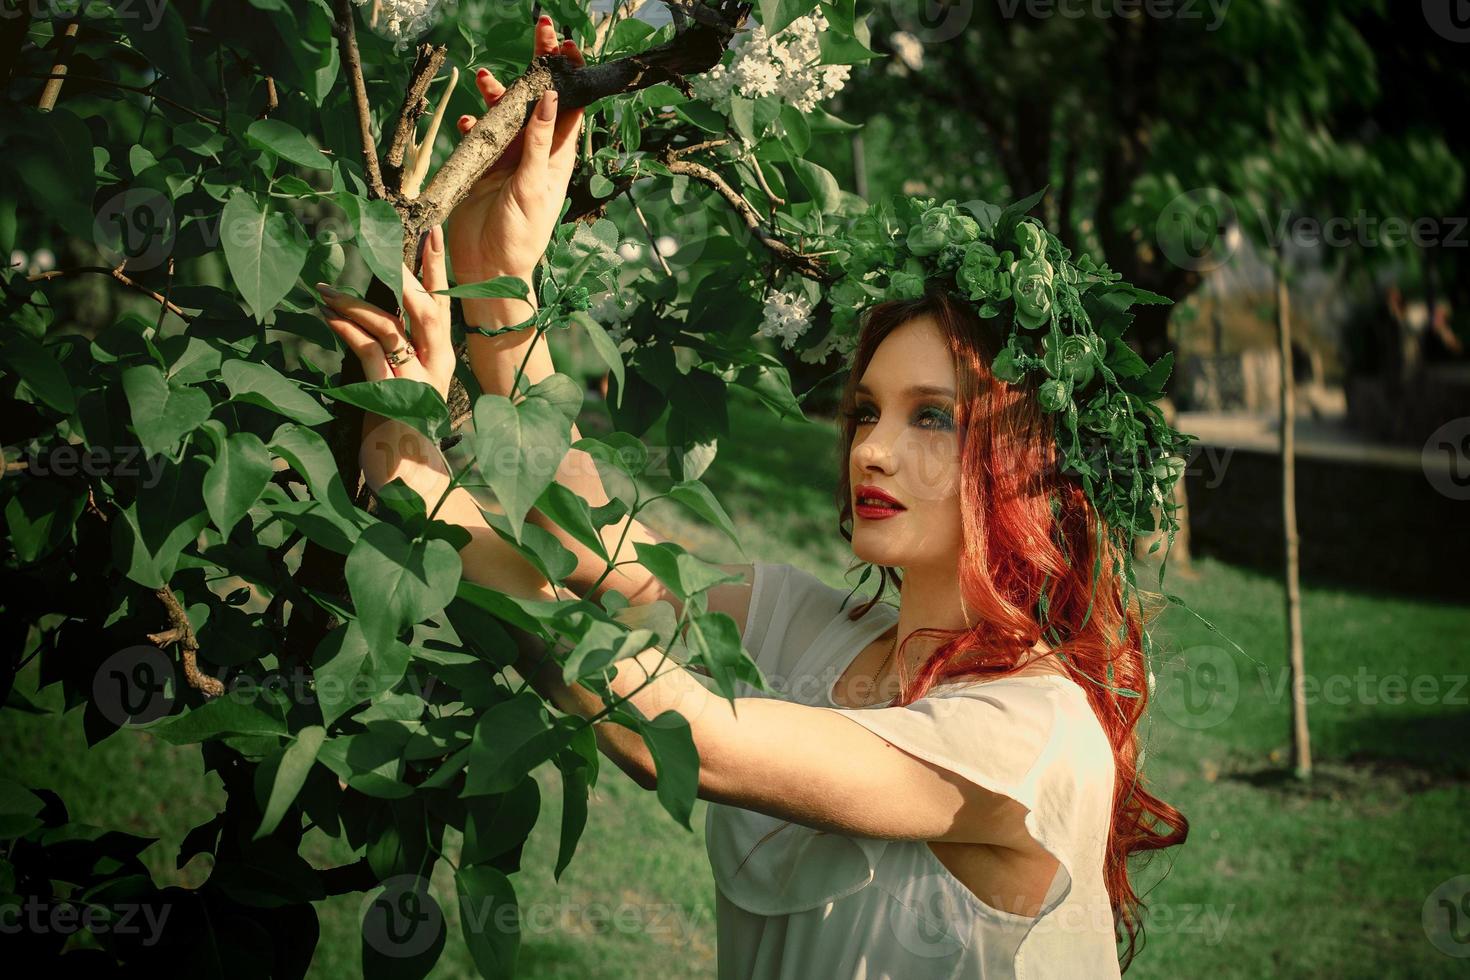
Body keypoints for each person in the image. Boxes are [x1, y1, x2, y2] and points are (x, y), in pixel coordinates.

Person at [316, 14, 1187, 977]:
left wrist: (412, 470)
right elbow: (590, 548)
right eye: (864, 411)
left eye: (932, 417)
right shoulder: (806, 628)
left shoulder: (1035, 733)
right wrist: (500, 268)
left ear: (1025, 463)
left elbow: (685, 738)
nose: (872, 450)